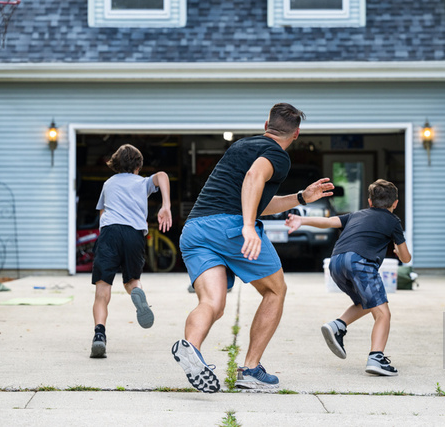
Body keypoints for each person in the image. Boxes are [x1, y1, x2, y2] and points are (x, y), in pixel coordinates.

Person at [172, 103, 334, 393]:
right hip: (230, 228)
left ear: (265, 125)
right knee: (275, 290)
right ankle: (250, 370)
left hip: (196, 229)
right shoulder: (277, 155)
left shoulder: (240, 146)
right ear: (296, 134)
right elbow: (254, 179)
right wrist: (248, 225)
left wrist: (301, 197)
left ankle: (192, 350)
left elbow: (258, 198)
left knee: (212, 303)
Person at [284, 179, 411, 376]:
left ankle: (337, 325)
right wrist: (396, 248)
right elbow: (405, 257)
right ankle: (376, 358)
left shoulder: (356, 215)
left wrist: (302, 220)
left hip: (336, 262)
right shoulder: (393, 221)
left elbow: (329, 221)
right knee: (383, 313)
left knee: (366, 302)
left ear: (369, 202)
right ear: (395, 203)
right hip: (360, 263)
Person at [90, 144, 172, 359]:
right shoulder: (142, 182)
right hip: (134, 234)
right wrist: (166, 205)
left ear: (115, 164)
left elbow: (102, 212)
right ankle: (137, 293)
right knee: (132, 280)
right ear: (138, 166)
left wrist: (106, 234)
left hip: (109, 233)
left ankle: (99, 335)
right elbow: (162, 175)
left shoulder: (108, 184)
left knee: (102, 289)